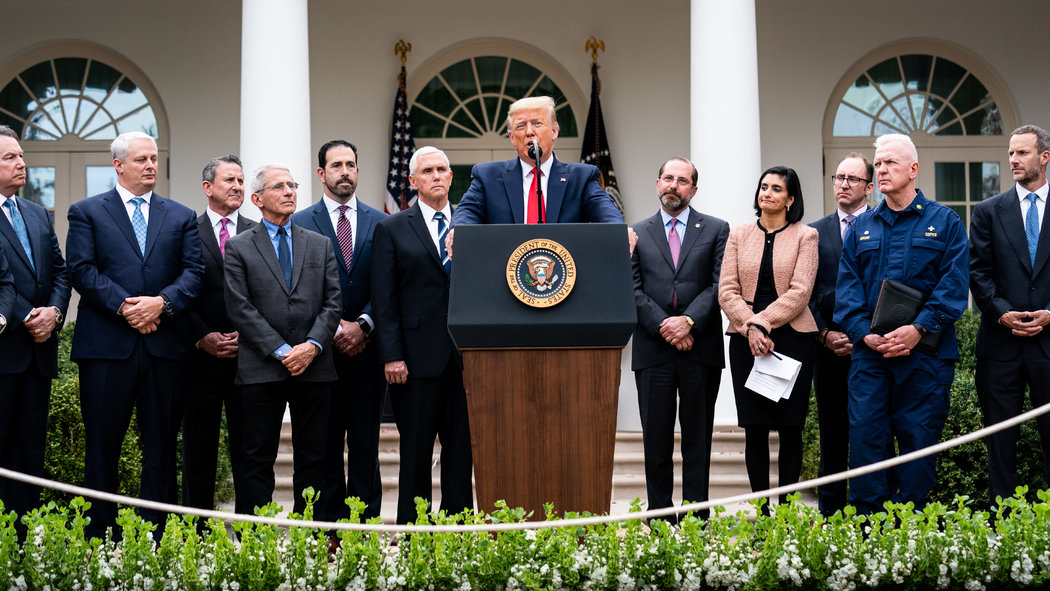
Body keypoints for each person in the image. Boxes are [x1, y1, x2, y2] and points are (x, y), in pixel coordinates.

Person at [66, 131, 204, 539]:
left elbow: (194, 272)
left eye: (154, 159)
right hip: (106, 349)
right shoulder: (86, 211)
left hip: (165, 348)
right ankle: (99, 539)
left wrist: (161, 303)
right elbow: (81, 269)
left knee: (160, 449)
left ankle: (155, 540)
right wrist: (128, 307)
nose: (150, 166)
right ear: (118, 165)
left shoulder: (180, 216)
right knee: (101, 447)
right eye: (142, 159)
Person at [835, 133, 968, 514]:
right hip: (870, 359)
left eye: (890, 162)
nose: (881, 170)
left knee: (918, 446)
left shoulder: (945, 222)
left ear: (913, 169)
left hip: (925, 359)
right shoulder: (862, 227)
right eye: (877, 164)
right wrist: (865, 334)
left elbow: (954, 286)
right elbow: (847, 291)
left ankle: (910, 532)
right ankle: (866, 532)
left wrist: (918, 328)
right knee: (866, 444)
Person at [223, 165, 341, 517]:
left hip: (314, 367)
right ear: (257, 199)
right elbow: (239, 307)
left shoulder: (319, 244)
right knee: (256, 458)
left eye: (292, 185)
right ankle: (254, 538)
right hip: (261, 368)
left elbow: (333, 302)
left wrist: (312, 346)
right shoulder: (239, 247)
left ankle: (311, 536)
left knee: (314, 458)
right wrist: (282, 350)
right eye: (279, 186)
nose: (289, 191)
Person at [372, 146, 473, 524]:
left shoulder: (470, 225)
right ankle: (414, 533)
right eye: (427, 171)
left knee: (461, 453)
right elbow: (384, 298)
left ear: (451, 176)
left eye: (442, 169)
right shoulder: (392, 228)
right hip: (413, 361)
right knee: (415, 454)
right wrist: (391, 355)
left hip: (464, 359)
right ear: (413, 181)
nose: (436, 176)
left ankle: (457, 531)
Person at [292, 140, 387, 522]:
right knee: (324, 445)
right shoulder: (299, 222)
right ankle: (328, 527)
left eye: (350, 164)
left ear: (358, 171)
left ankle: (364, 527)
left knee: (366, 444)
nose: (344, 171)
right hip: (321, 354)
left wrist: (363, 324)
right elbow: (296, 287)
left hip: (368, 351)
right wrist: (331, 328)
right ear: (321, 173)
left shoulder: (382, 222)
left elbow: (389, 285)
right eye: (336, 165)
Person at [631, 157, 729, 521]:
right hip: (653, 350)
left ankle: (695, 520)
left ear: (694, 189)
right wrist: (667, 326)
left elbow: (721, 284)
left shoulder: (717, 229)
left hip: (700, 350)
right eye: (668, 178)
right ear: (658, 183)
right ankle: (659, 518)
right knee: (655, 440)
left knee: (697, 440)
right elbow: (631, 288)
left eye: (682, 180)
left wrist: (688, 322)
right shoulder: (635, 232)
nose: (674, 185)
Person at [718, 166, 818, 512]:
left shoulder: (806, 236)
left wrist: (760, 323)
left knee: (790, 429)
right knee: (755, 429)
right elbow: (726, 290)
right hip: (746, 342)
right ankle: (762, 514)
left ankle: (786, 515)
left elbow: (800, 292)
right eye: (764, 187)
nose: (767, 193)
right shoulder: (738, 234)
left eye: (777, 188)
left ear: (791, 199)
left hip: (793, 340)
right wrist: (751, 328)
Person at [969, 124, 1050, 503]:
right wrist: (1002, 313)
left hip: (1049, 345)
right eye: (1011, 153)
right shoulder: (987, 211)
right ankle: (1003, 524)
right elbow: (978, 272)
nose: (1013, 160)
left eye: (1022, 153)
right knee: (999, 446)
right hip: (1000, 347)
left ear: (1044, 157)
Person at [0, 125, 70, 532]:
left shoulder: (37, 213)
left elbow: (60, 271)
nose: (21, 163)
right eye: (10, 157)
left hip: (39, 357)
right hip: (5, 350)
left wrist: (55, 313)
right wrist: (28, 316)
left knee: (30, 456)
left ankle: (24, 545)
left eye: (21, 156)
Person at [181, 155, 255, 516]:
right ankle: (196, 529)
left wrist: (252, 336)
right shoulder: (186, 232)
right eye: (229, 180)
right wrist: (202, 337)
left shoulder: (259, 232)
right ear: (207, 187)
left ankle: (250, 531)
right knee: (198, 451)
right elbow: (179, 291)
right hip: (200, 361)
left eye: (240, 180)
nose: (237, 186)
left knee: (250, 452)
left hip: (250, 359)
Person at [807, 153, 873, 517]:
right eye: (839, 177)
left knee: (873, 431)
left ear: (869, 187)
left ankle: (870, 512)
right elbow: (805, 291)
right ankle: (830, 512)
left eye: (853, 179)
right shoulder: (813, 233)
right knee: (831, 433)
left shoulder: (883, 225)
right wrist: (823, 333)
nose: (844, 184)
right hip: (828, 350)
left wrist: (865, 334)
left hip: (873, 349)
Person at [451, 96, 624, 226]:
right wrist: (456, 232)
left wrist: (621, 231)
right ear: (512, 138)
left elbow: (607, 214)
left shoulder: (581, 178)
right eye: (521, 126)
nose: (529, 132)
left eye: (537, 124)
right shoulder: (487, 177)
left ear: (554, 131)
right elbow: (466, 213)